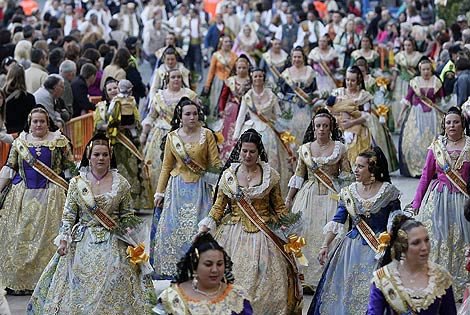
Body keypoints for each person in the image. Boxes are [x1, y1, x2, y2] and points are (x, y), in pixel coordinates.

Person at [27, 133, 152, 314]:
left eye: (105, 155)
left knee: (116, 273)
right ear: (88, 156)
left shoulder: (122, 184)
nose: (101, 158)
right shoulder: (77, 183)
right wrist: (63, 239)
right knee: (79, 276)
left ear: (110, 156)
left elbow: (127, 215)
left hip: (113, 239)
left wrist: (132, 234)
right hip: (83, 239)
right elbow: (69, 215)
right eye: (96, 154)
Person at [199, 129, 303, 315]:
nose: (247, 155)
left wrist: (289, 229)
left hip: (264, 233)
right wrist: (207, 225)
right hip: (233, 231)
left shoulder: (270, 175)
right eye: (244, 151)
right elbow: (218, 207)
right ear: (239, 150)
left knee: (265, 279)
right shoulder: (229, 175)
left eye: (252, 152)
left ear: (259, 152)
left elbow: (279, 207)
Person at [309, 147, 402, 315]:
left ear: (372, 168)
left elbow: (395, 218)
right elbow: (338, 219)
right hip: (350, 249)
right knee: (345, 289)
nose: (355, 170)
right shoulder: (349, 191)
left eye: (360, 166)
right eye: (355, 165)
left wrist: (389, 239)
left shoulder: (388, 191)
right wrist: (325, 245)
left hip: (378, 250)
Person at [0, 107, 75, 294]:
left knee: (48, 240)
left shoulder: (59, 141)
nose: (39, 124)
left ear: (47, 122)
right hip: (24, 196)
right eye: (35, 121)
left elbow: (70, 169)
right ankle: (20, 282)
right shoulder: (20, 143)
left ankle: (48, 281)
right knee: (22, 236)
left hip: (53, 196)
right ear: (30, 123)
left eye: (42, 121)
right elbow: (10, 169)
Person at [152, 98, 222, 279]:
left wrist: (217, 189)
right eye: (188, 114)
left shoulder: (207, 135)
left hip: (200, 188)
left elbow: (215, 164)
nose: (192, 117)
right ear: (180, 117)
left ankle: (200, 267)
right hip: (177, 189)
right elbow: (167, 167)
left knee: (198, 229)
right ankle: (177, 267)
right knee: (173, 228)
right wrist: (159, 192)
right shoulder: (172, 137)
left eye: (195, 113)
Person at [285, 108, 352, 291]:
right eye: (318, 126)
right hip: (308, 196)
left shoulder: (340, 148)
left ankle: (328, 277)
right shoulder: (305, 150)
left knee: (333, 232)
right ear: (313, 128)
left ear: (331, 128)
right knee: (304, 233)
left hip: (332, 195)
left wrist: (348, 200)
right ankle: (305, 278)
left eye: (325, 126)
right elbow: (299, 175)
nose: (321, 129)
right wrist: (289, 198)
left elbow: (346, 175)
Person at [411, 107, 470, 298]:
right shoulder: (436, 146)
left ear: (463, 124)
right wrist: (417, 203)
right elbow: (425, 176)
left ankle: (461, 287)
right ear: (443, 125)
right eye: (448, 122)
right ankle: (436, 284)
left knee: (462, 241)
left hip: (463, 202)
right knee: (438, 240)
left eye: (456, 122)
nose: (452, 125)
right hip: (438, 200)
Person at [367, 215, 456, 314]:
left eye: (426, 240)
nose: (424, 247)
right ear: (402, 247)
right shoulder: (384, 279)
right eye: (416, 243)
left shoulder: (441, 277)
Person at [154, 233, 253, 314]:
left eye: (219, 264)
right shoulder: (173, 296)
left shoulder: (237, 296)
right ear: (195, 266)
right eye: (208, 264)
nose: (215, 270)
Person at [95, 79, 153, 211]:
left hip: (127, 144)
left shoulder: (130, 102)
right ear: (105, 91)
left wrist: (131, 125)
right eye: (109, 89)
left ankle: (131, 204)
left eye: (115, 87)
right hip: (109, 144)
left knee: (130, 172)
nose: (113, 91)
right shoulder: (101, 107)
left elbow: (138, 121)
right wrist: (111, 126)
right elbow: (97, 124)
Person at [233, 68, 293, 196]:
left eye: (260, 76)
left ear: (263, 78)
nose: (258, 79)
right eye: (255, 76)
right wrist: (236, 135)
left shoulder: (271, 96)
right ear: (252, 78)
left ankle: (268, 189)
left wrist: (285, 134)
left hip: (268, 131)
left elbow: (278, 116)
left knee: (269, 161)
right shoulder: (247, 96)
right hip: (250, 130)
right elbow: (241, 116)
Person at [141, 69, 198, 190]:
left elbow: (197, 117)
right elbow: (151, 116)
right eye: (173, 77)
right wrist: (144, 133)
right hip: (161, 134)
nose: (176, 79)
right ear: (167, 80)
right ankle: (159, 194)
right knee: (158, 167)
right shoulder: (159, 97)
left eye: (178, 77)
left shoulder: (190, 95)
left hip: (184, 135)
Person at [399, 57, 444, 178]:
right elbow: (407, 99)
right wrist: (400, 115)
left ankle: (434, 167)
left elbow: (442, 100)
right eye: (423, 69)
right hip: (416, 114)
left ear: (431, 69)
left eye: (428, 69)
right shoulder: (415, 81)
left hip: (433, 116)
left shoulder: (436, 81)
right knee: (415, 140)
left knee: (434, 139)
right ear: (420, 70)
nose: (426, 72)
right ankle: (419, 166)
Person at [328, 66, 373, 166]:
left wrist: (352, 123)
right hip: (339, 126)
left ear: (358, 80)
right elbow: (329, 109)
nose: (349, 83)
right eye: (347, 79)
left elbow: (367, 115)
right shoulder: (338, 93)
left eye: (352, 80)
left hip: (358, 129)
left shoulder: (364, 96)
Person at [218, 55, 252, 162]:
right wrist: (221, 109)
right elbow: (223, 96)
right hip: (232, 109)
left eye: (244, 68)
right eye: (239, 68)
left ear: (248, 68)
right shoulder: (230, 81)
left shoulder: (251, 81)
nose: (241, 70)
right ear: (236, 68)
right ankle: (226, 154)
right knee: (228, 132)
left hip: (246, 110)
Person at [280, 46, 317, 143]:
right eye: (294, 57)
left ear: (303, 58)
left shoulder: (310, 71)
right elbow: (281, 91)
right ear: (291, 58)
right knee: (292, 133)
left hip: (306, 108)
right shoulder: (286, 73)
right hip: (291, 107)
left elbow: (315, 90)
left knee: (306, 130)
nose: (297, 59)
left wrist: (313, 99)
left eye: (299, 57)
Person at [390, 37, 422, 130]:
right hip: (401, 82)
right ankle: (399, 124)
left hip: (413, 82)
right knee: (400, 102)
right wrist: (393, 81)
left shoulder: (418, 56)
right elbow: (396, 70)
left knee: (412, 102)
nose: (407, 47)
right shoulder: (400, 56)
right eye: (405, 45)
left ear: (413, 46)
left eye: (409, 45)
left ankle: (411, 125)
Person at [203, 36, 237, 118]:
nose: (228, 43)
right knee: (216, 98)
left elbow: (236, 70)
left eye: (229, 41)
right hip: (218, 80)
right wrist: (207, 84)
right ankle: (214, 115)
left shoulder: (234, 56)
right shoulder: (216, 55)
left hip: (229, 81)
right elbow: (211, 71)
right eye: (226, 42)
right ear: (221, 43)